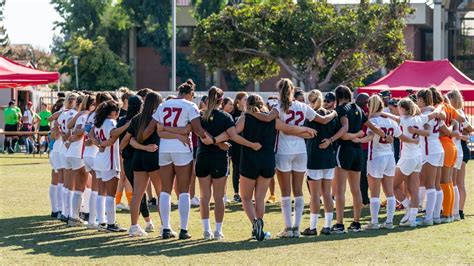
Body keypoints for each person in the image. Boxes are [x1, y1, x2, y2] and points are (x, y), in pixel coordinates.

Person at [249, 78, 336, 238]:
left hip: (284, 150)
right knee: (298, 191)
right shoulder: (302, 106)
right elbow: (323, 120)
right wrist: (334, 112)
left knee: (285, 192)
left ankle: (288, 228)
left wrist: (252, 112)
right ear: (293, 90)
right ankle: (296, 228)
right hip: (301, 150)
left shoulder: (278, 107)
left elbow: (268, 119)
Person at [236, 94, 315, 240]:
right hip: (267, 160)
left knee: (246, 198)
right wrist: (306, 130)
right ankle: (259, 224)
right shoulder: (272, 120)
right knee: (260, 198)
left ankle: (255, 225)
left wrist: (250, 144)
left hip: (249, 160)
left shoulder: (245, 118)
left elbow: (233, 135)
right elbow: (289, 128)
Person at [145, 79, 209, 240]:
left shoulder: (163, 105)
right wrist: (213, 139)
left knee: (165, 190)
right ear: (189, 94)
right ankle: (183, 229)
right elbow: (198, 129)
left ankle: (166, 228)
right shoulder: (190, 106)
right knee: (184, 191)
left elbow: (154, 128)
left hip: (165, 148)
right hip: (182, 149)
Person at [196, 87, 261, 240]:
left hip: (202, 157)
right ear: (221, 100)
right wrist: (251, 144)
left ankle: (206, 230)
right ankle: (218, 231)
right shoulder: (225, 116)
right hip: (218, 158)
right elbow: (233, 136)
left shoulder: (199, 116)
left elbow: (200, 133)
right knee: (219, 197)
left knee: (204, 197)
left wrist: (213, 141)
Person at [330, 85, 386, 233]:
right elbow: (372, 126)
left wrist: (353, 136)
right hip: (357, 152)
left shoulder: (341, 109)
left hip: (344, 149)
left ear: (337, 96)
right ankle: (356, 222)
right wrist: (384, 135)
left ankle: (340, 223)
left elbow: (344, 133)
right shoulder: (359, 109)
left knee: (340, 189)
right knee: (356, 189)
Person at [383, 98, 439, 227]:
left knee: (392, 186)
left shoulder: (404, 119)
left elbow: (393, 117)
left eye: (399, 107)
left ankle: (407, 207)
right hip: (418, 156)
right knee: (413, 189)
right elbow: (433, 114)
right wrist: (440, 107)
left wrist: (382, 113)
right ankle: (412, 219)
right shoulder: (420, 118)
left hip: (407, 157)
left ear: (403, 109)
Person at [355, 95, 407, 229]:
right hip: (389, 157)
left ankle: (374, 222)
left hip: (376, 157)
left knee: (374, 192)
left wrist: (358, 140)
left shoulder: (372, 120)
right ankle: (389, 221)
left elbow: (370, 137)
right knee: (390, 192)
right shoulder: (390, 121)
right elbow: (399, 135)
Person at [301, 90, 338, 236]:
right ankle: (328, 225)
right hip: (329, 157)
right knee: (327, 194)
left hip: (314, 156)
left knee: (315, 195)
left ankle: (312, 227)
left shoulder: (309, 115)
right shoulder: (330, 115)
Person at [126, 93, 163, 237]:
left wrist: (143, 148)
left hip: (138, 157)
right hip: (153, 157)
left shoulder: (136, 118)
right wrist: (148, 148)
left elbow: (131, 141)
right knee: (161, 194)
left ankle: (134, 226)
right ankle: (164, 226)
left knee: (137, 195)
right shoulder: (157, 118)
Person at [92, 100, 129, 232]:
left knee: (101, 193)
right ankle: (111, 224)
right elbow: (113, 134)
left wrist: (99, 144)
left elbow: (91, 134)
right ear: (113, 112)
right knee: (110, 195)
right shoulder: (111, 122)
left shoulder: (98, 122)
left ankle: (101, 221)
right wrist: (126, 126)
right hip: (109, 161)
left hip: (99, 160)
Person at [415, 89, 445, 226]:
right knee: (436, 185)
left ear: (421, 99)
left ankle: (429, 218)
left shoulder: (426, 114)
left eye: (417, 99)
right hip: (437, 148)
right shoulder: (435, 112)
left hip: (429, 150)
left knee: (430, 185)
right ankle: (436, 216)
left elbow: (426, 131)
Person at [66, 95, 95, 226]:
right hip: (78, 153)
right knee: (80, 186)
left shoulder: (81, 114)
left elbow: (69, 125)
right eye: (94, 103)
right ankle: (75, 216)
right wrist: (85, 130)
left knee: (84, 184)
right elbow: (77, 131)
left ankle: (79, 214)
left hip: (73, 152)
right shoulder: (85, 115)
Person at [85, 92, 113, 229]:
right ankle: (97, 219)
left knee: (96, 190)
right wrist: (99, 144)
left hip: (88, 154)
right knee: (99, 190)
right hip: (97, 154)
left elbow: (88, 134)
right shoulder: (101, 116)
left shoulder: (91, 115)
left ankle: (94, 218)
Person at [447, 89, 471, 221]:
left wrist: (462, 136)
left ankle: (458, 210)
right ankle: (456, 210)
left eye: (448, 99)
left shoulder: (458, 113)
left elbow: (469, 132)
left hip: (460, 149)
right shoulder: (455, 113)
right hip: (458, 149)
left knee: (457, 183)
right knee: (455, 182)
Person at [230, 92, 248, 203]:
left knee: (247, 169)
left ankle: (246, 193)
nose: (246, 101)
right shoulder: (233, 113)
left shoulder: (250, 112)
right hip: (236, 145)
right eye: (245, 99)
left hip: (247, 143)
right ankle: (236, 193)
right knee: (236, 168)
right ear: (238, 101)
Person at [355, 93, 370, 206]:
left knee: (362, 173)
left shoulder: (361, 110)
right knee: (363, 173)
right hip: (363, 145)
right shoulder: (364, 110)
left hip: (363, 144)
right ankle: (364, 198)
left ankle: (364, 197)